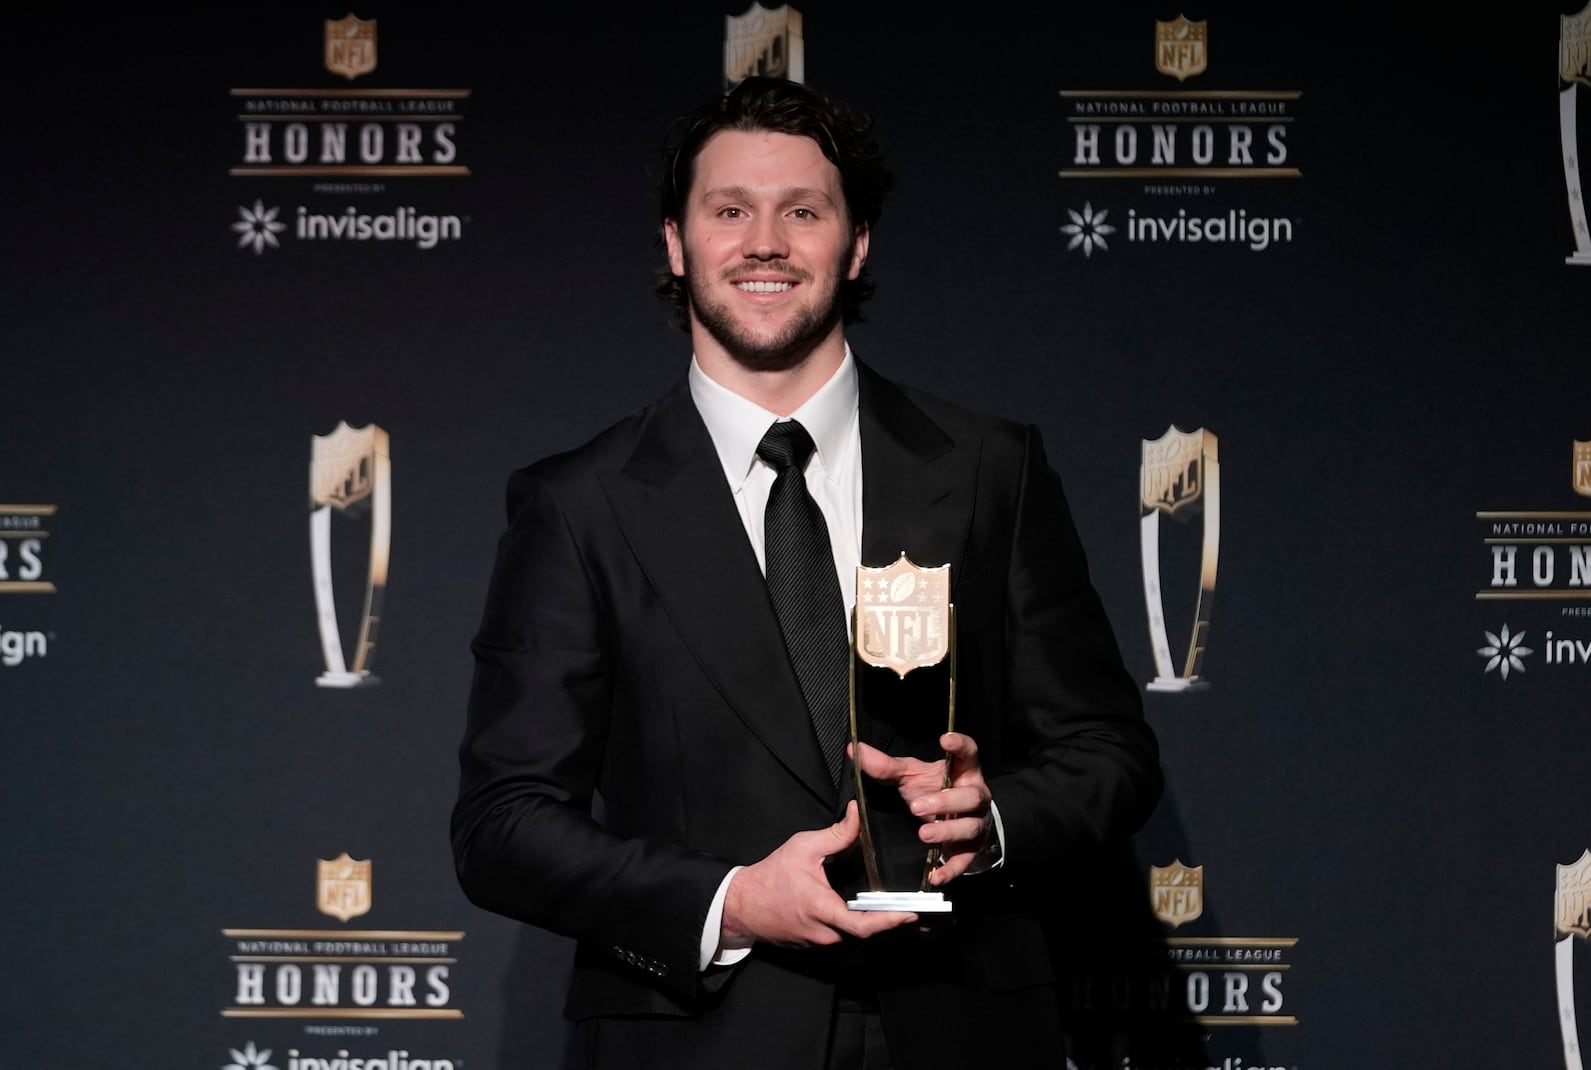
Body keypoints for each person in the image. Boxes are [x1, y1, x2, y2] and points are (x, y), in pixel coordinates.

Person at [450, 75, 1162, 1069]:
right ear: (675, 241)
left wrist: (991, 819)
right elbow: (503, 822)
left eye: (803, 210)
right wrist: (731, 899)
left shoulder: (987, 467)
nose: (764, 242)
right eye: (729, 209)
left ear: (856, 241)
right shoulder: (578, 503)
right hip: (701, 1037)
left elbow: (1106, 751)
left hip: (964, 1025)